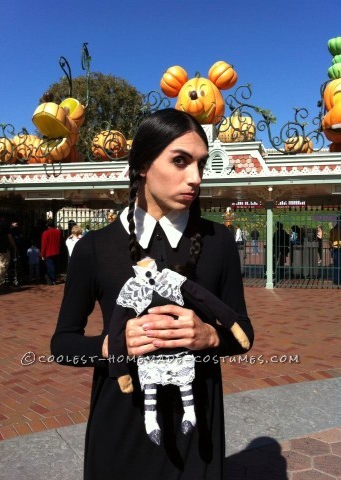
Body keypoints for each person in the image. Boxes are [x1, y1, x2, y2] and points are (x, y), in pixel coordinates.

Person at [51, 108, 254, 479]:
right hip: (120, 430)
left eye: (201, 164)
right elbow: (62, 343)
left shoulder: (219, 242)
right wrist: (112, 345)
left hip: (198, 431)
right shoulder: (95, 248)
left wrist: (209, 336)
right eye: (180, 161)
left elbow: (244, 334)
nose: (195, 178)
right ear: (143, 165)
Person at [41, 219, 62, 285]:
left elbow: (44, 244)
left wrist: (42, 254)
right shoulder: (58, 232)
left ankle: (52, 279)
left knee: (50, 266)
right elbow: (61, 242)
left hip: (48, 252)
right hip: (56, 251)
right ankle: (51, 278)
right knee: (54, 265)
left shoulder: (45, 233)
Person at [329, 216, 341, 285]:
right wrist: (331, 247)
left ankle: (337, 280)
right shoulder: (333, 230)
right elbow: (330, 240)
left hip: (336, 249)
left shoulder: (333, 230)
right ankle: (336, 280)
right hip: (336, 250)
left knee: (336, 265)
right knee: (336, 265)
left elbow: (330, 241)